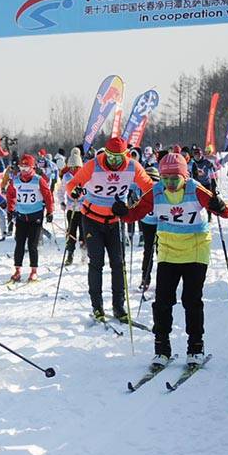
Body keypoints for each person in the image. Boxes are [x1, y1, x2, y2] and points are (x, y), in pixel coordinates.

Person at [113, 152, 228, 368]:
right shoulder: (156, 191)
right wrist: (122, 212)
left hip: (196, 250)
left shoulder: (195, 188)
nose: (169, 184)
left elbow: (227, 213)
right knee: (162, 302)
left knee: (191, 300)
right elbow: (134, 214)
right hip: (168, 250)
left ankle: (195, 347)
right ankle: (161, 349)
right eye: (165, 179)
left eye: (174, 179)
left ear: (184, 176)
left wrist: (219, 205)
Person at [66, 136, 153, 321]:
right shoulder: (93, 165)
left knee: (118, 264)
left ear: (126, 155)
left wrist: (132, 207)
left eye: (118, 157)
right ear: (105, 153)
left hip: (114, 221)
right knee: (96, 263)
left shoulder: (132, 166)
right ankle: (97, 307)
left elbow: (150, 188)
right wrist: (74, 191)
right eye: (111, 157)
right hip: (92, 220)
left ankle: (118, 307)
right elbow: (72, 184)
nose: (114, 162)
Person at [6, 154, 54, 282]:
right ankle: (17, 270)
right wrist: (10, 210)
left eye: (26, 168)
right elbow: (10, 195)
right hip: (21, 217)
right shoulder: (15, 180)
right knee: (19, 244)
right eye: (21, 168)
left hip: (35, 217)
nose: (23, 171)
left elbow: (48, 196)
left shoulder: (38, 180)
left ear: (32, 168)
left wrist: (50, 212)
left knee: (32, 245)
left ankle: (34, 271)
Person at [58, 147, 85, 266]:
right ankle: (70, 254)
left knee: (84, 232)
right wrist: (62, 202)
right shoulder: (66, 176)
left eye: (76, 167)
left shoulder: (85, 175)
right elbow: (61, 190)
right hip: (71, 209)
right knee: (71, 232)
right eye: (72, 167)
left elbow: (89, 191)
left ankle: (84, 253)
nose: (74, 169)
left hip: (83, 210)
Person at [137, 165, 160, 291]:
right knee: (159, 251)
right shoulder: (160, 185)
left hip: (148, 221)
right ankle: (153, 279)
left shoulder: (142, 185)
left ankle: (145, 279)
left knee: (148, 250)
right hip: (156, 221)